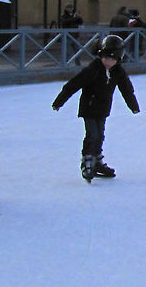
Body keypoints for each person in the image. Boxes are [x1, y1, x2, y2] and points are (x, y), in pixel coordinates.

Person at [52, 34, 140, 182]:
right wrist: (59, 101)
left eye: (112, 59)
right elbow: (73, 85)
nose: (108, 61)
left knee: (100, 135)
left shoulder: (118, 71)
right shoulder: (92, 70)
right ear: (100, 55)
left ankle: (97, 161)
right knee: (92, 135)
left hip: (103, 109)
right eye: (105, 57)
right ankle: (87, 160)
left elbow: (126, 89)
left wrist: (133, 106)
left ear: (118, 59)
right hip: (89, 108)